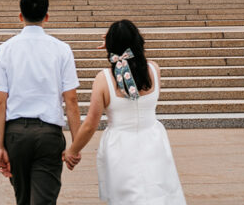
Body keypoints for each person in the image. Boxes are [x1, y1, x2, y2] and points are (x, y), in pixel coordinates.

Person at [64, 19, 186, 204]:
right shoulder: (154, 69)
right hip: (153, 139)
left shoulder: (104, 79)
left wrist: (73, 150)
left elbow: (90, 124)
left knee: (127, 197)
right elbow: (136, 61)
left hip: (120, 145)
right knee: (159, 192)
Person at [0, 0, 81, 205]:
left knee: (22, 199)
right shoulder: (62, 49)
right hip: (49, 134)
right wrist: (75, 145)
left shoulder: (6, 49)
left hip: (16, 134)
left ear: (20, 16)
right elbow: (71, 101)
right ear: (46, 16)